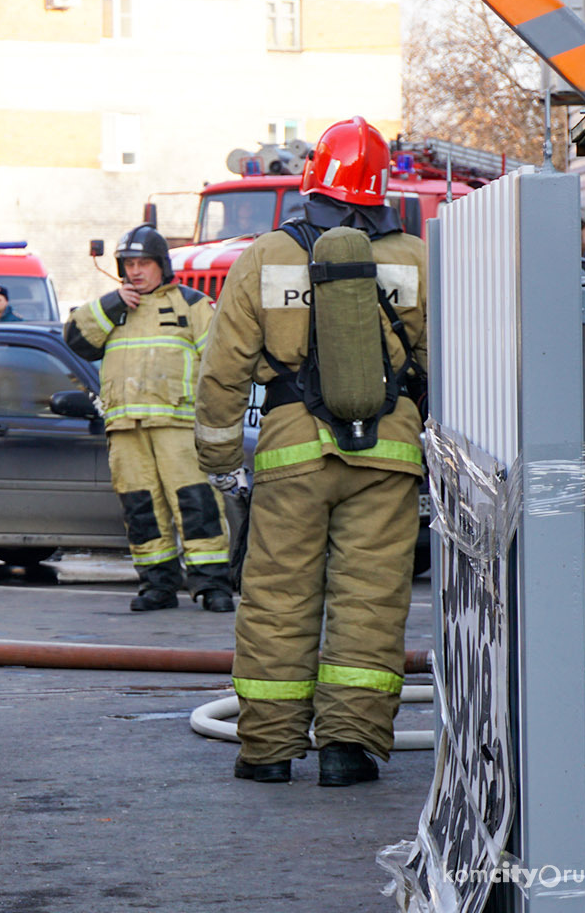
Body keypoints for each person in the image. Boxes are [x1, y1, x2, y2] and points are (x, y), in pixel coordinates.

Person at [193, 116, 427, 787]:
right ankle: (347, 750)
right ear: (379, 187)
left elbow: (223, 371)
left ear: (312, 180)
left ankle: (267, 750)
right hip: (388, 452)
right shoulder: (414, 257)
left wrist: (218, 462)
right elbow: (442, 363)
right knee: (370, 599)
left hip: (292, 451)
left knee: (278, 597)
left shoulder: (266, 256)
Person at [64, 225, 233, 613]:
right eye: (128, 264)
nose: (135, 272)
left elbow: (220, 366)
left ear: (162, 265)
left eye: (143, 264)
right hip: (126, 431)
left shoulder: (193, 305)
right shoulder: (113, 309)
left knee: (197, 505)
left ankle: (212, 585)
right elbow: (73, 338)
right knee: (141, 510)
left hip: (178, 426)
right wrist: (112, 304)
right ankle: (158, 586)